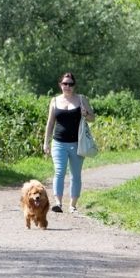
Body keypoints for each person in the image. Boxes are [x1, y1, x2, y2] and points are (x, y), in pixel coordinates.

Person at [42, 72, 95, 213]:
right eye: (65, 84)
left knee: (75, 174)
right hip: (58, 142)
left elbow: (92, 118)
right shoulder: (54, 101)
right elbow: (50, 123)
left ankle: (72, 205)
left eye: (70, 84)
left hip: (77, 143)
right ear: (60, 85)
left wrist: (86, 114)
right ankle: (58, 203)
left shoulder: (82, 99)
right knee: (59, 171)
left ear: (74, 85)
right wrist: (46, 142)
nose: (67, 86)